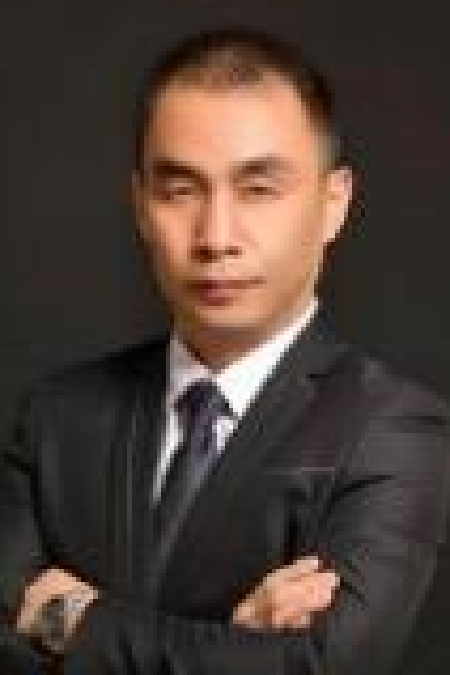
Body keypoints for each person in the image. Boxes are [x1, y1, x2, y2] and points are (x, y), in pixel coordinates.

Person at [0, 26, 449, 675]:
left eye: (258, 189)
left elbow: (326, 664)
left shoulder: (394, 429)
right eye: (180, 190)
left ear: (333, 204)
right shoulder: (54, 416)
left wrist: (69, 625)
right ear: (140, 205)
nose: (215, 236)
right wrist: (231, 645)